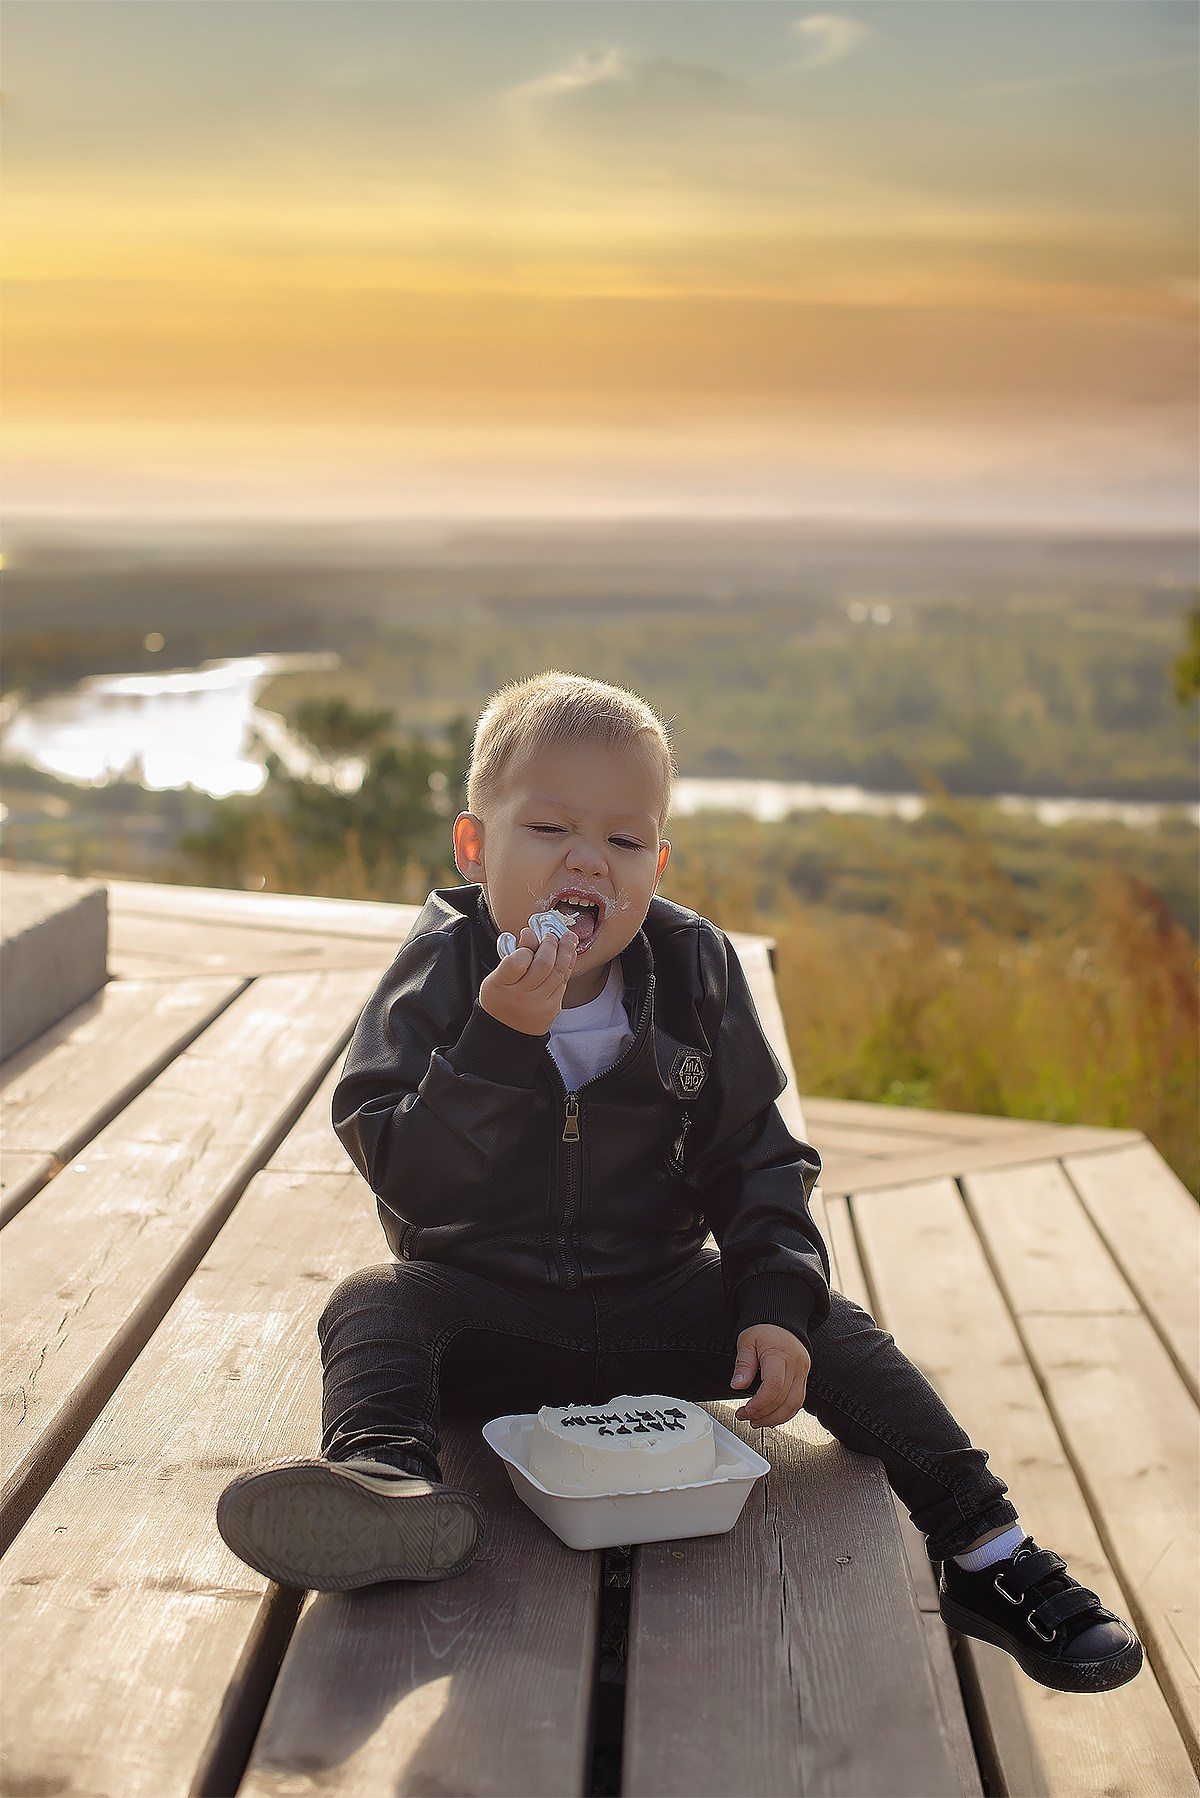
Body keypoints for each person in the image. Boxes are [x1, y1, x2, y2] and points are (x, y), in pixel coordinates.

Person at [217, 671, 1141, 1695]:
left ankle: (987, 1550)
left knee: (838, 1326)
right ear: (476, 847)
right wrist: (494, 1043)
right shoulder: (440, 974)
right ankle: (385, 1486)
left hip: (660, 1303)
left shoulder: (690, 965)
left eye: (621, 841)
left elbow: (757, 1154)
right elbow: (408, 1181)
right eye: (550, 827)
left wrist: (776, 1304)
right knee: (374, 1306)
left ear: (655, 865)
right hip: (490, 1315)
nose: (586, 860)